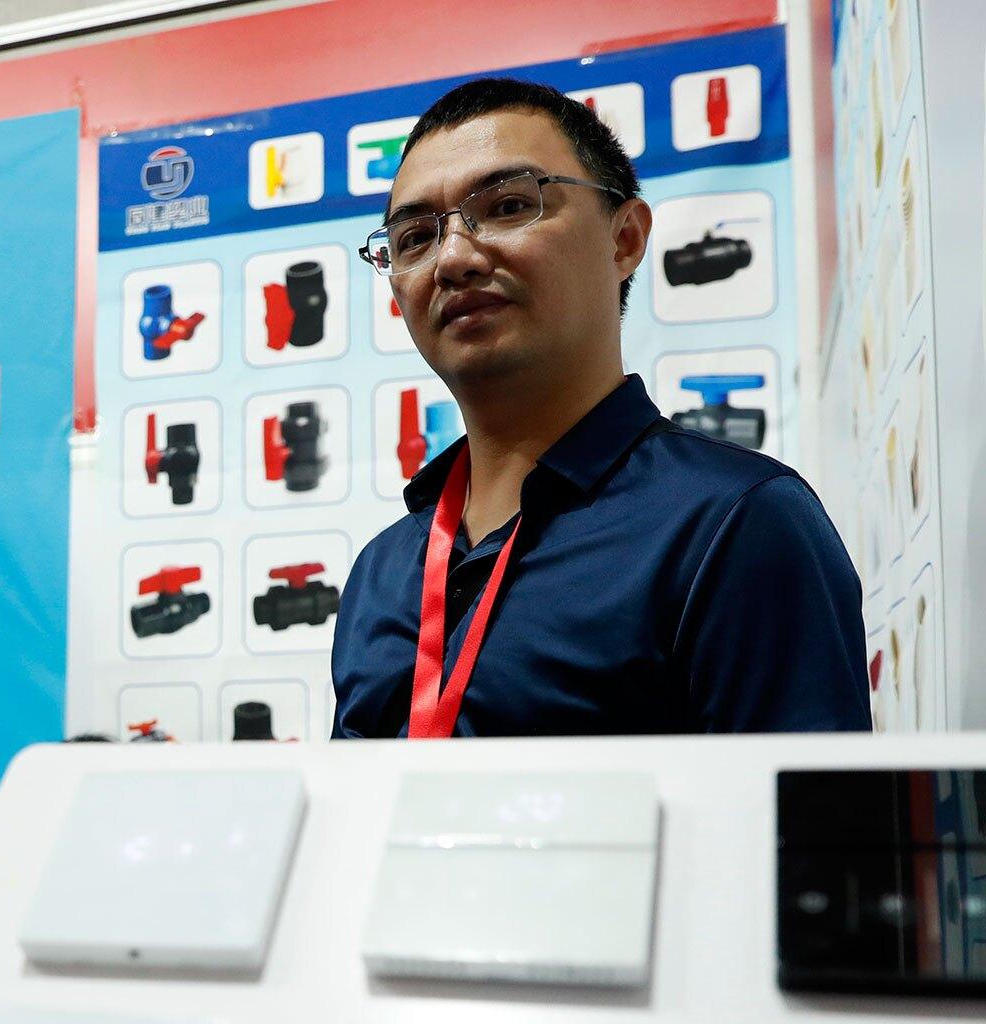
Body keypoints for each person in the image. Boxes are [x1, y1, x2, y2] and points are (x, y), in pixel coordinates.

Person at [331, 78, 869, 738]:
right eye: (415, 237)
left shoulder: (735, 523)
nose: (454, 258)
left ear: (625, 239)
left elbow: (811, 807)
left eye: (508, 205)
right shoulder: (381, 572)